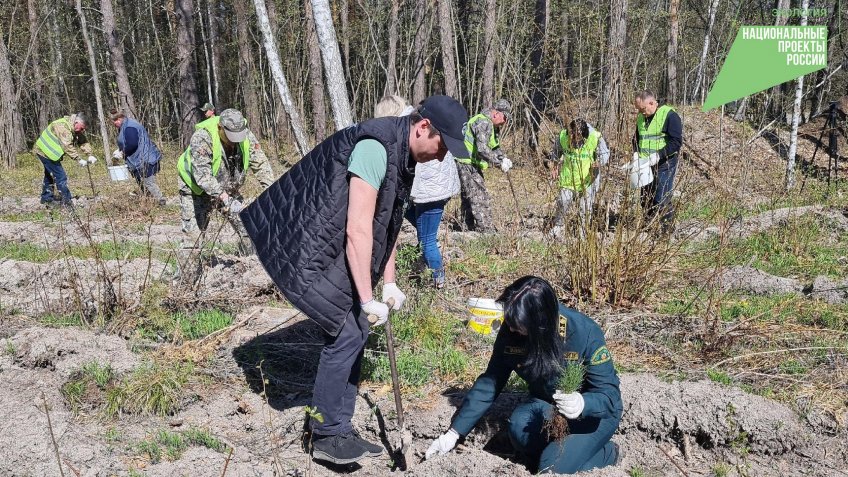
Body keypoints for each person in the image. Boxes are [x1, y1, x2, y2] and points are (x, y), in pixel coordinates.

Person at [240, 95, 469, 465]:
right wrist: (366, 298)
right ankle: (326, 436)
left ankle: (339, 428)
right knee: (346, 332)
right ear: (423, 127)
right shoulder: (375, 148)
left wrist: (389, 283)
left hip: (333, 241)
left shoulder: (405, 155)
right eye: (442, 146)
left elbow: (388, 223)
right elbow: (359, 230)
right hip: (306, 242)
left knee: (357, 330)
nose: (442, 156)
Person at [426, 276, 622, 474]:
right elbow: (491, 381)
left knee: (550, 468)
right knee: (518, 430)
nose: (510, 329)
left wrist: (582, 403)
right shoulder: (513, 328)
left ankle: (607, 453)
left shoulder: (583, 332)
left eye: (518, 326)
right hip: (548, 405)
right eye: (510, 322)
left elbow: (609, 396)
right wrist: (453, 433)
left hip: (592, 417)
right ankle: (565, 455)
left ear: (540, 325)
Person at [374, 95, 461, 288]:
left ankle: (439, 281)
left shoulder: (412, 131)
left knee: (427, 240)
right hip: (431, 188)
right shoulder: (411, 122)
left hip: (432, 192)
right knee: (405, 214)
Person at [176, 108, 274, 252]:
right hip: (196, 189)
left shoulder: (245, 134)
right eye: (230, 137)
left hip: (226, 187)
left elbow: (260, 163)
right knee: (193, 239)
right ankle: (187, 274)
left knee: (248, 227)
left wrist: (271, 189)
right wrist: (225, 198)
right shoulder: (203, 137)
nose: (234, 142)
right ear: (220, 127)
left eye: (238, 137)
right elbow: (203, 176)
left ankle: (252, 265)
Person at [455, 99, 514, 232]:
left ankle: (467, 227)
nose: (505, 122)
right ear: (496, 114)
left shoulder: (491, 126)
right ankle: (486, 229)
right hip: (466, 163)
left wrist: (503, 158)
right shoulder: (482, 122)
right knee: (479, 195)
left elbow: (493, 147)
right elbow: (482, 149)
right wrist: (499, 163)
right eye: (504, 118)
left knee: (469, 195)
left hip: (471, 163)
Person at [632, 90, 683, 233]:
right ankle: (648, 226)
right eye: (639, 110)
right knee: (645, 197)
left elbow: (676, 142)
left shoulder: (670, 115)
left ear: (652, 103)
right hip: (645, 164)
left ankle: (666, 232)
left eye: (643, 109)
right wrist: (635, 153)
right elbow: (637, 138)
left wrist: (659, 155)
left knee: (661, 198)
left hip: (665, 163)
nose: (641, 113)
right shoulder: (641, 117)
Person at [549, 118, 609, 236]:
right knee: (563, 201)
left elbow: (605, 153)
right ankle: (558, 225)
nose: (572, 138)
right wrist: (554, 165)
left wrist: (599, 162)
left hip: (588, 179)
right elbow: (556, 151)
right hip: (569, 177)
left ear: (583, 135)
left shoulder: (594, 137)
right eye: (571, 134)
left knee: (584, 207)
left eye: (576, 136)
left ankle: (582, 231)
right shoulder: (563, 136)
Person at [31, 112, 96, 208]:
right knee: (61, 176)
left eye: (84, 129)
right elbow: (67, 145)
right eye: (82, 128)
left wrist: (89, 154)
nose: (82, 130)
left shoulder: (73, 127)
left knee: (49, 175)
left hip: (50, 153)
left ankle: (46, 198)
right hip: (44, 151)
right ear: (76, 122)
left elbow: (82, 141)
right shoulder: (62, 126)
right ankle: (67, 201)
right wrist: (78, 159)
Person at [109, 109, 166, 206]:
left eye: (115, 121)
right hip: (138, 160)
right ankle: (150, 203)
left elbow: (132, 143)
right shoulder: (125, 126)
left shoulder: (130, 126)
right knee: (142, 183)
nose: (114, 124)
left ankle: (161, 202)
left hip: (145, 159)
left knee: (148, 183)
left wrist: (122, 153)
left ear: (120, 119)